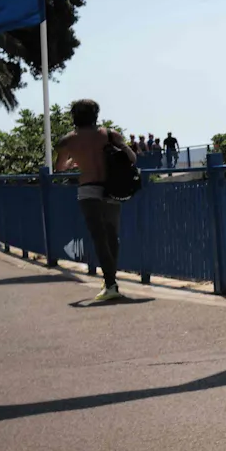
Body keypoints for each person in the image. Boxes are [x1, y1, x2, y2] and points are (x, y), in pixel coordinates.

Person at [54, 98, 135, 304]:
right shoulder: (109, 135)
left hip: (88, 189)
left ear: (74, 116)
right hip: (112, 188)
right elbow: (132, 158)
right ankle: (111, 282)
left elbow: (60, 168)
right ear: (95, 115)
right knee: (111, 236)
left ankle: (110, 284)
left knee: (98, 237)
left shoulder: (67, 140)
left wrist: (75, 161)